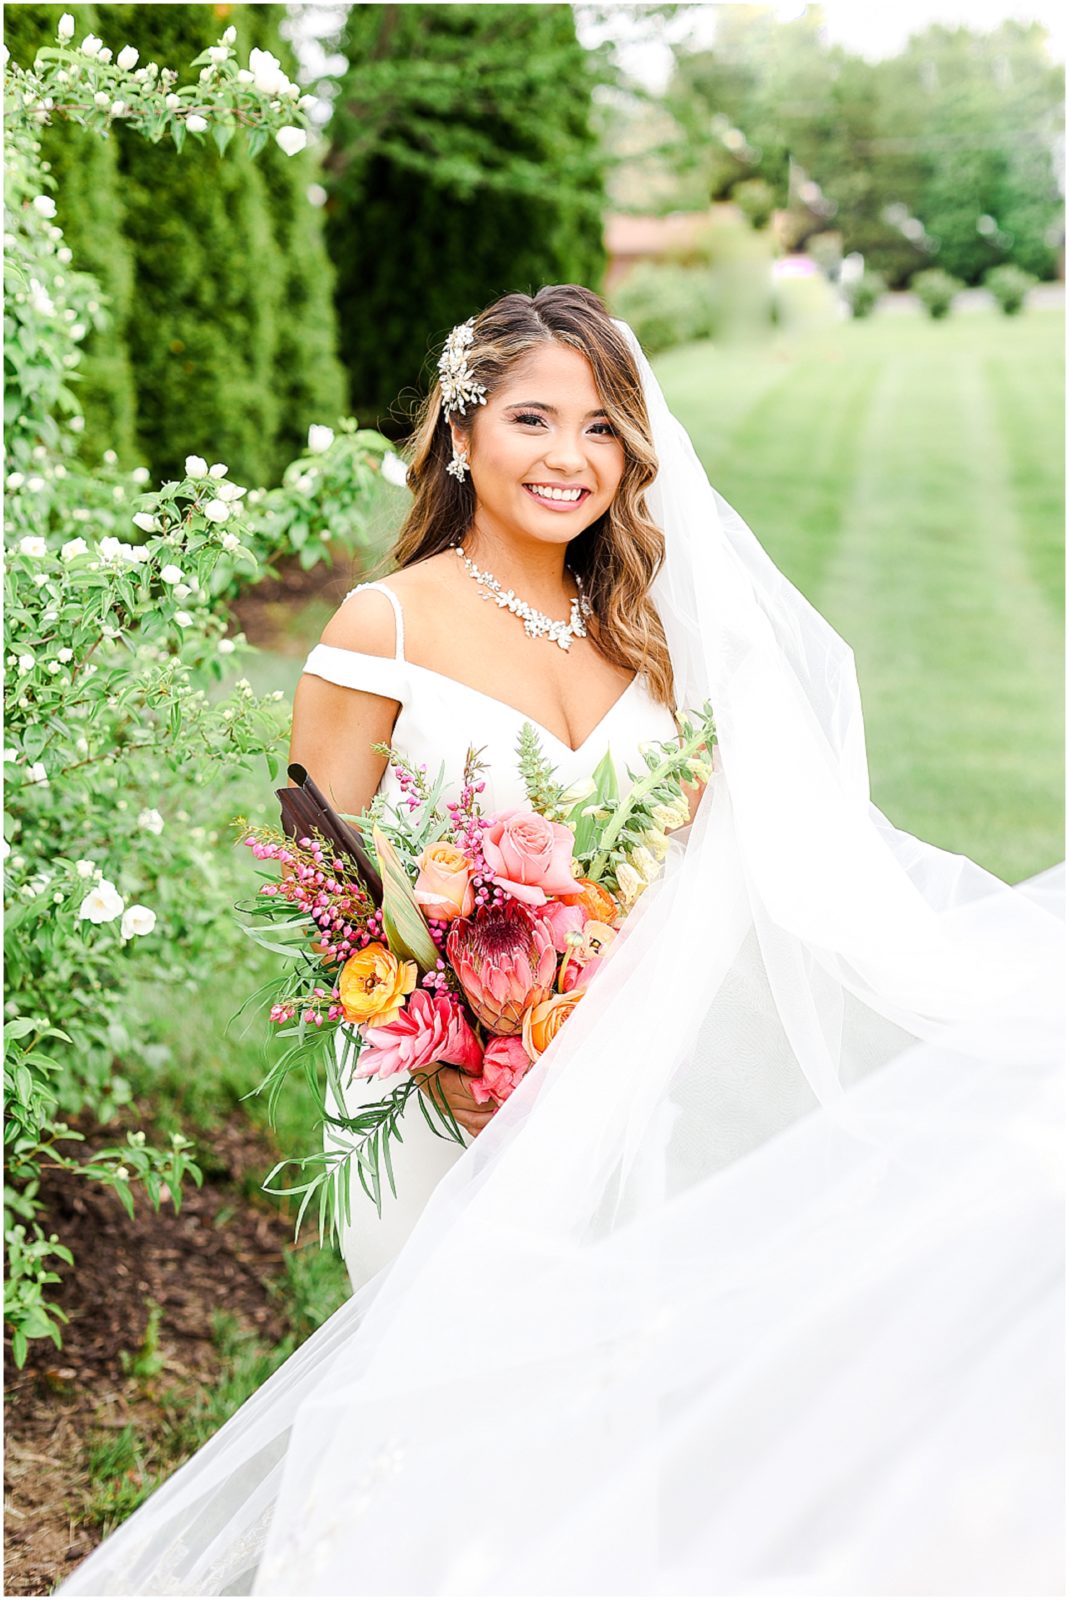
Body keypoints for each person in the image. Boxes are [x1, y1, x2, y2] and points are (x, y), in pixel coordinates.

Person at [59, 285, 1064, 1597]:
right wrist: (438, 1039)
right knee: (440, 1386)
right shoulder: (389, 622)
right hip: (426, 1084)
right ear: (463, 432)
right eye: (531, 417)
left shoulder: (652, 636)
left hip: (614, 1073)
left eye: (600, 428)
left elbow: (748, 866)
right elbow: (314, 846)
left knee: (600, 1386)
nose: (566, 456)